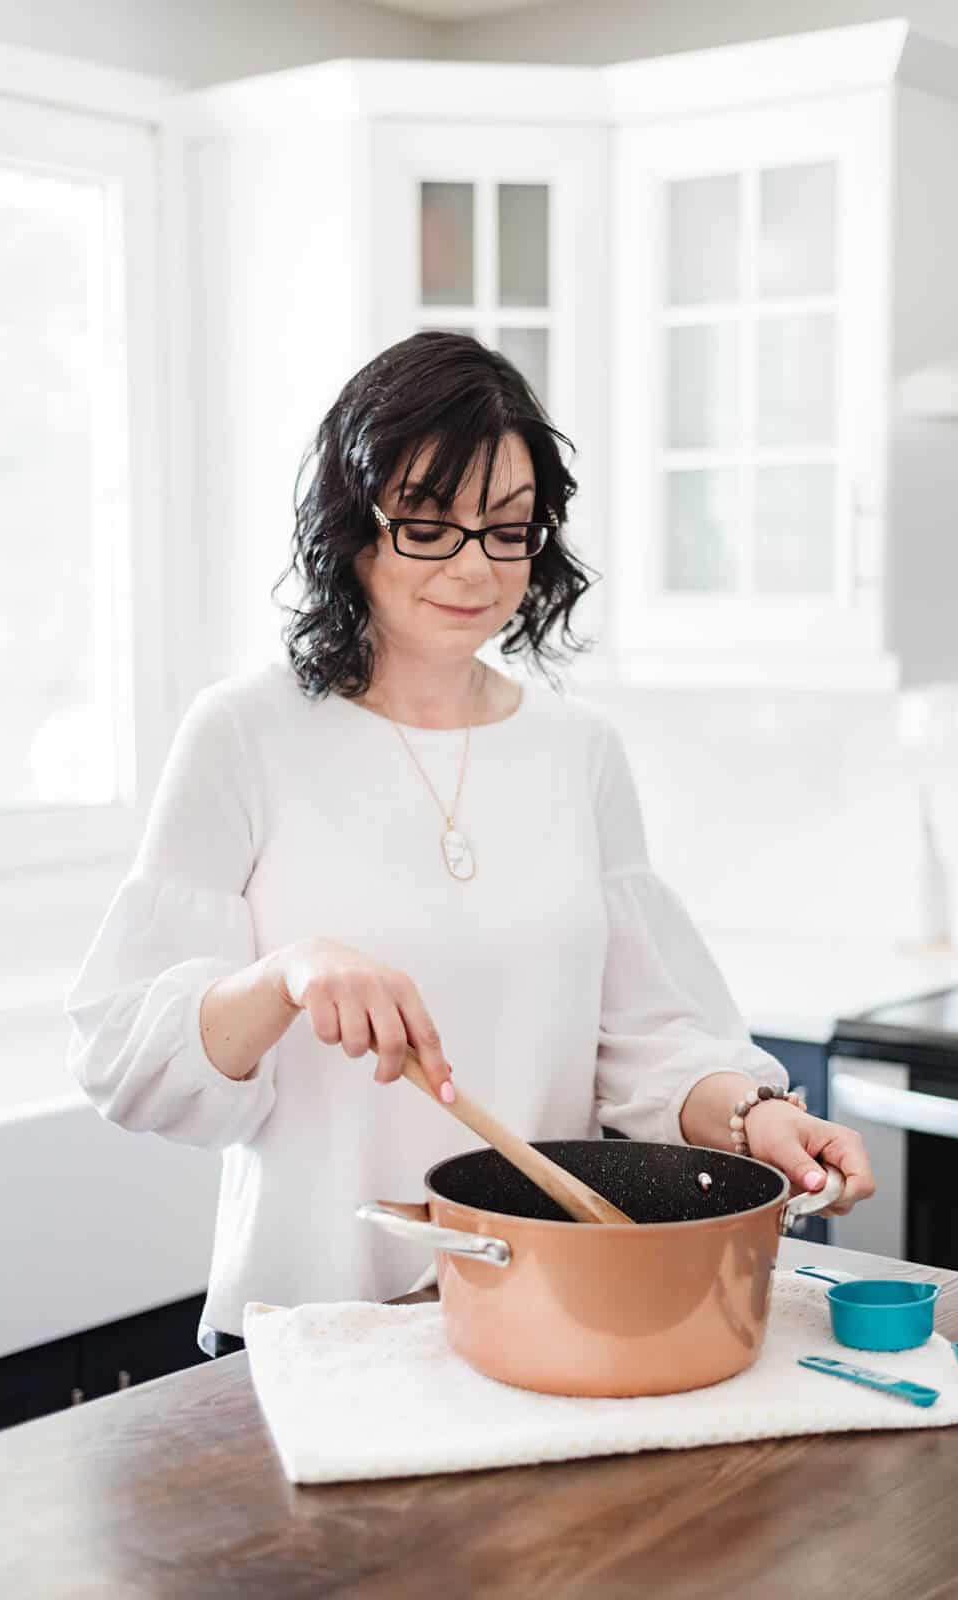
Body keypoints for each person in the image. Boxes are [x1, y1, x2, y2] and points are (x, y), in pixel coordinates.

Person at [64, 331, 875, 1360]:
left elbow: (648, 1037)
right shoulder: (244, 734)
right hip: (318, 1326)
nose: (473, 567)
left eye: (506, 529)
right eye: (427, 525)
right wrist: (287, 975)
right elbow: (124, 1055)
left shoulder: (577, 750)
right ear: (351, 527)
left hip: (545, 1309)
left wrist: (757, 1117)